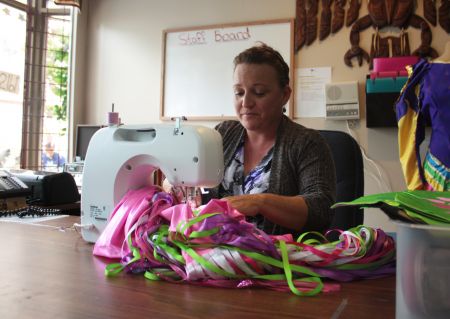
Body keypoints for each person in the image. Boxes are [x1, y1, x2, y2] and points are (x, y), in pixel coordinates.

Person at [204, 43, 336, 237]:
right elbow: (188, 179)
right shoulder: (223, 134)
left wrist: (260, 202)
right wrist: (176, 183)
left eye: (259, 92)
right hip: (216, 253)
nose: (246, 103)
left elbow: (321, 209)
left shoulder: (307, 143)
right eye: (239, 92)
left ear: (284, 95)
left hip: (278, 261)